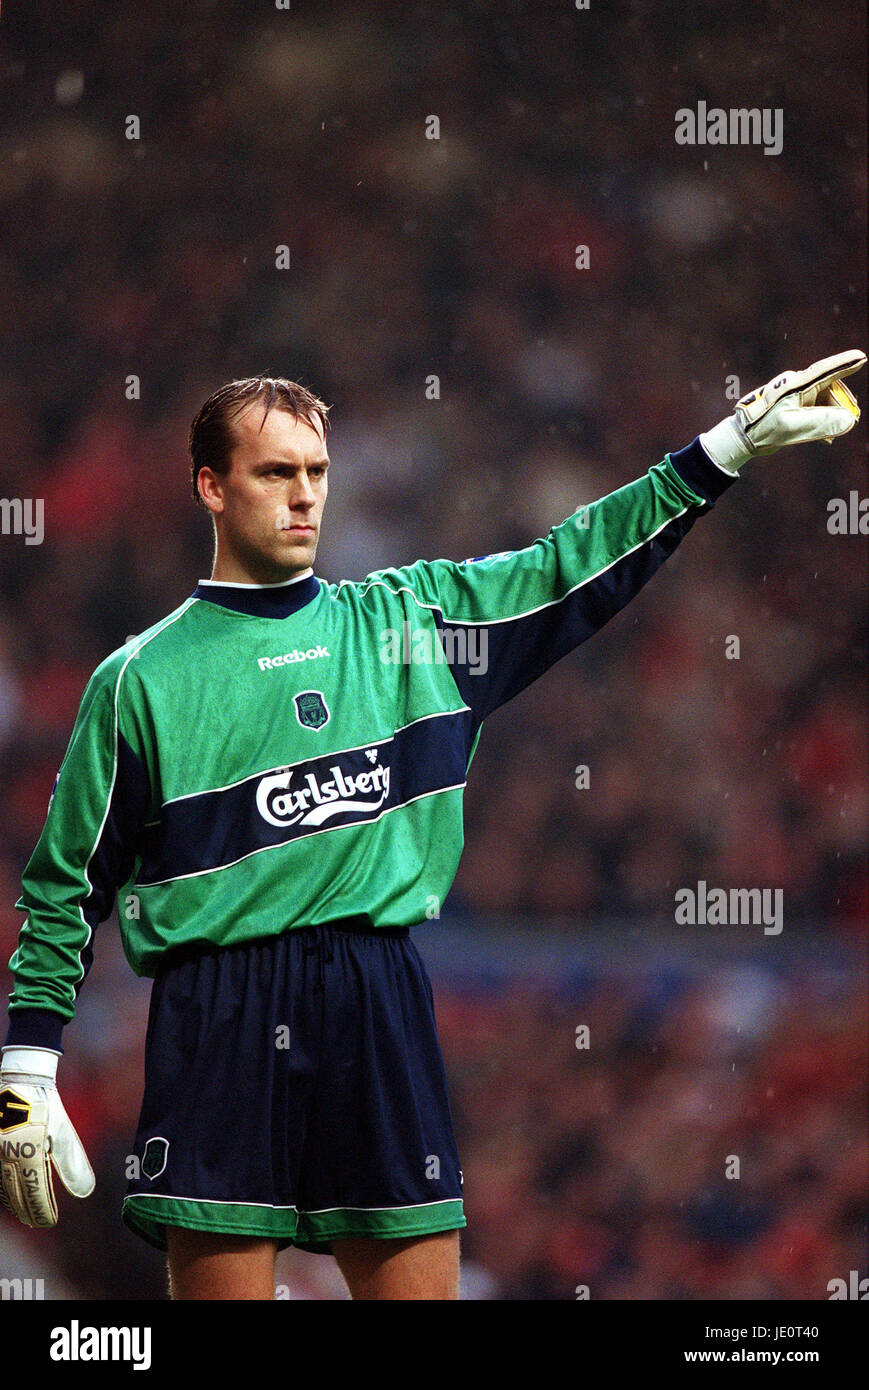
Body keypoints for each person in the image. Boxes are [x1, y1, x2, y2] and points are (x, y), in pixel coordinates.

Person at [0, 351, 863, 1300]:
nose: (302, 498)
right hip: (219, 1011)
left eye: (316, 473)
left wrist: (721, 449)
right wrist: (28, 1065)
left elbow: (571, 565)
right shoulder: (138, 680)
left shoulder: (415, 624)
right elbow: (64, 888)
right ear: (210, 486)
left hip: (379, 995)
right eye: (273, 473)